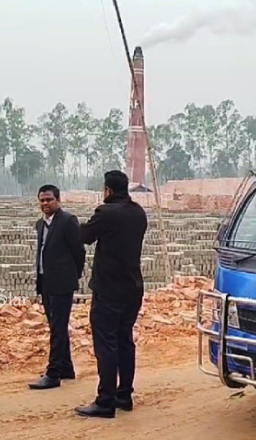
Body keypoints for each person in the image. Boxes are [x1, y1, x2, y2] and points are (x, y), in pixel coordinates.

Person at [74, 170, 148, 418]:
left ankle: (105, 400)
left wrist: (76, 224)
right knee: (125, 341)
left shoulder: (106, 212)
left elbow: (85, 237)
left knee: (106, 345)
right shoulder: (138, 213)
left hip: (109, 290)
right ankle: (123, 395)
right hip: (133, 288)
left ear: (108, 190)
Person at [29, 184, 86, 390]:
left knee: (58, 328)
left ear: (58, 200)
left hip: (62, 284)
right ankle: (66, 368)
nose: (45, 203)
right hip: (45, 282)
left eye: (49, 200)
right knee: (56, 326)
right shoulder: (40, 224)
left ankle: (53, 373)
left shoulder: (68, 221)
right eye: (42, 200)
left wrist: (73, 275)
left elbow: (79, 251)